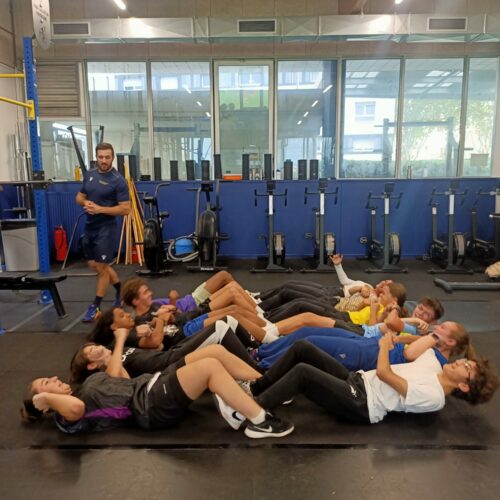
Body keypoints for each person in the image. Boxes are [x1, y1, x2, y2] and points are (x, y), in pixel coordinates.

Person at [20, 328, 294, 439]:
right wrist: (43, 400)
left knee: (215, 352)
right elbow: (76, 410)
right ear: (44, 403)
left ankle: (265, 387)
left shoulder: (88, 384)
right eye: (46, 382)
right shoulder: (65, 415)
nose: (54, 379)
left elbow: (122, 381)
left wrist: (110, 354)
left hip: (151, 384)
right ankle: (260, 421)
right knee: (210, 367)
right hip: (149, 406)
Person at [249, 337, 499, 428]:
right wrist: (412, 335)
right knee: (303, 347)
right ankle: (254, 387)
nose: (460, 362)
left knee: (303, 373)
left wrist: (384, 347)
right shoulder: (433, 363)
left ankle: (251, 410)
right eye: (466, 361)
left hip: (363, 403)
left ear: (464, 386)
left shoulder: (434, 397)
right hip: (356, 379)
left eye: (467, 368)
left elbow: (384, 374)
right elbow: (410, 346)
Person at [78, 308, 261, 380]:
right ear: (92, 365)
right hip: (168, 365)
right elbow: (121, 381)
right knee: (220, 327)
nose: (99, 348)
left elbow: (157, 346)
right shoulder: (111, 366)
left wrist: (150, 329)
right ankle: (258, 368)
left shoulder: (121, 348)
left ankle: (257, 356)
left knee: (224, 325)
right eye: (92, 350)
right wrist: (120, 339)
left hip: (170, 353)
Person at [256, 318, 471, 371]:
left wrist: (433, 337)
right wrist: (403, 337)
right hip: (368, 342)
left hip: (366, 355)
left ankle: (261, 367)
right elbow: (404, 340)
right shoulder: (431, 347)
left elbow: (410, 354)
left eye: (443, 328)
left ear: (450, 341)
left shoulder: (438, 360)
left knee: (308, 343)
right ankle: (259, 351)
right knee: (307, 331)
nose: (437, 327)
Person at [76, 142, 131, 322]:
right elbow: (79, 197)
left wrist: (100, 209)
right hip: (90, 226)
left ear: (112, 158)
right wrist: (86, 203)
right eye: (101, 157)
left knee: (101, 268)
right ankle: (120, 290)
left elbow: (126, 209)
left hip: (106, 228)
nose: (104, 160)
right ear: (96, 157)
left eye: (107, 157)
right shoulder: (90, 175)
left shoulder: (118, 180)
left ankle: (96, 306)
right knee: (96, 265)